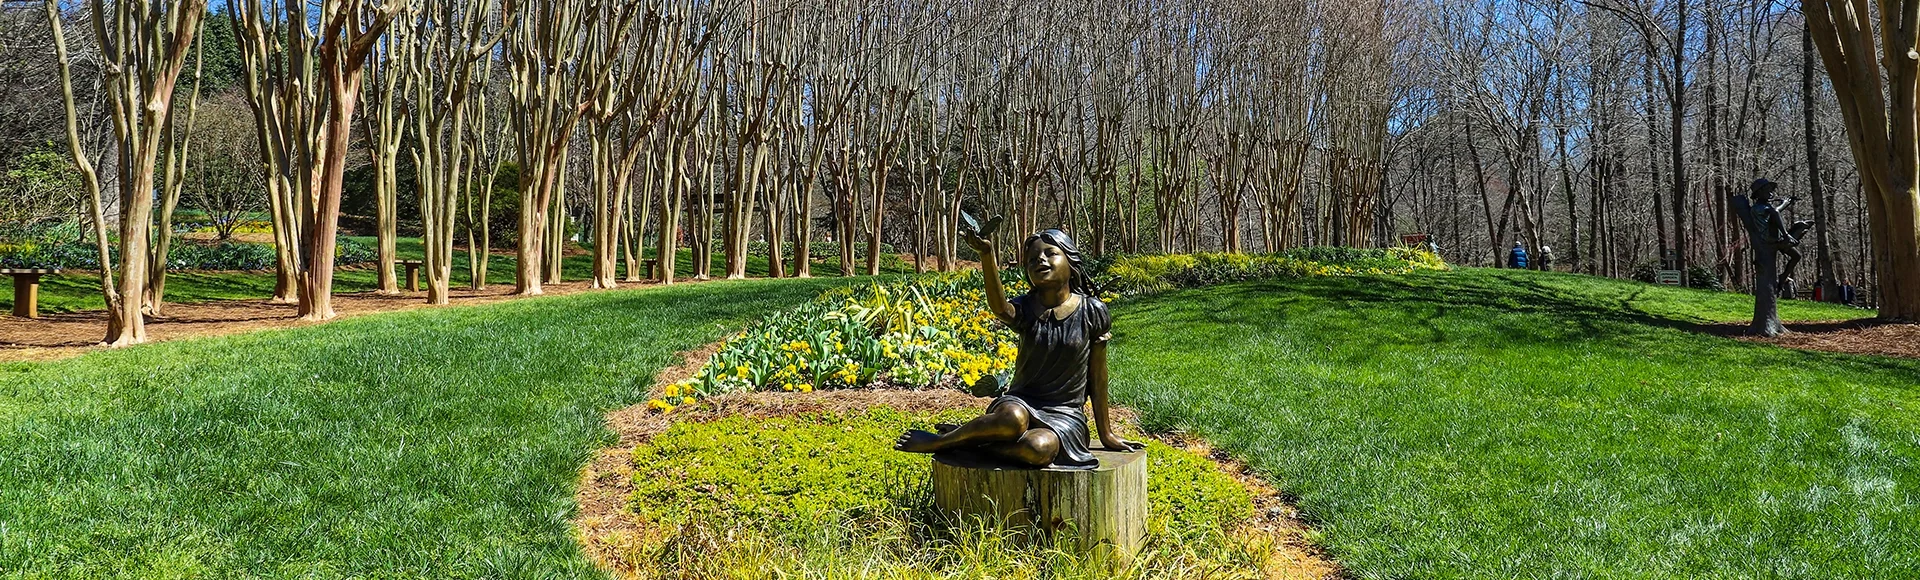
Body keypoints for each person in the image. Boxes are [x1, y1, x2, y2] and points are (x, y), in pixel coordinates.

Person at [894, 228, 1137, 469]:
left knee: (1039, 448)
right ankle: (940, 441)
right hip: (1020, 402)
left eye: (1051, 253)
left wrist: (1106, 434)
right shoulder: (1026, 308)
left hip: (1064, 414)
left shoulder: (1092, 311)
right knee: (1012, 419)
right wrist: (987, 255)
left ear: (1070, 261)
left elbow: (1098, 376)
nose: (1041, 260)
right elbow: (1001, 309)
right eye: (1033, 259)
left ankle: (966, 442)